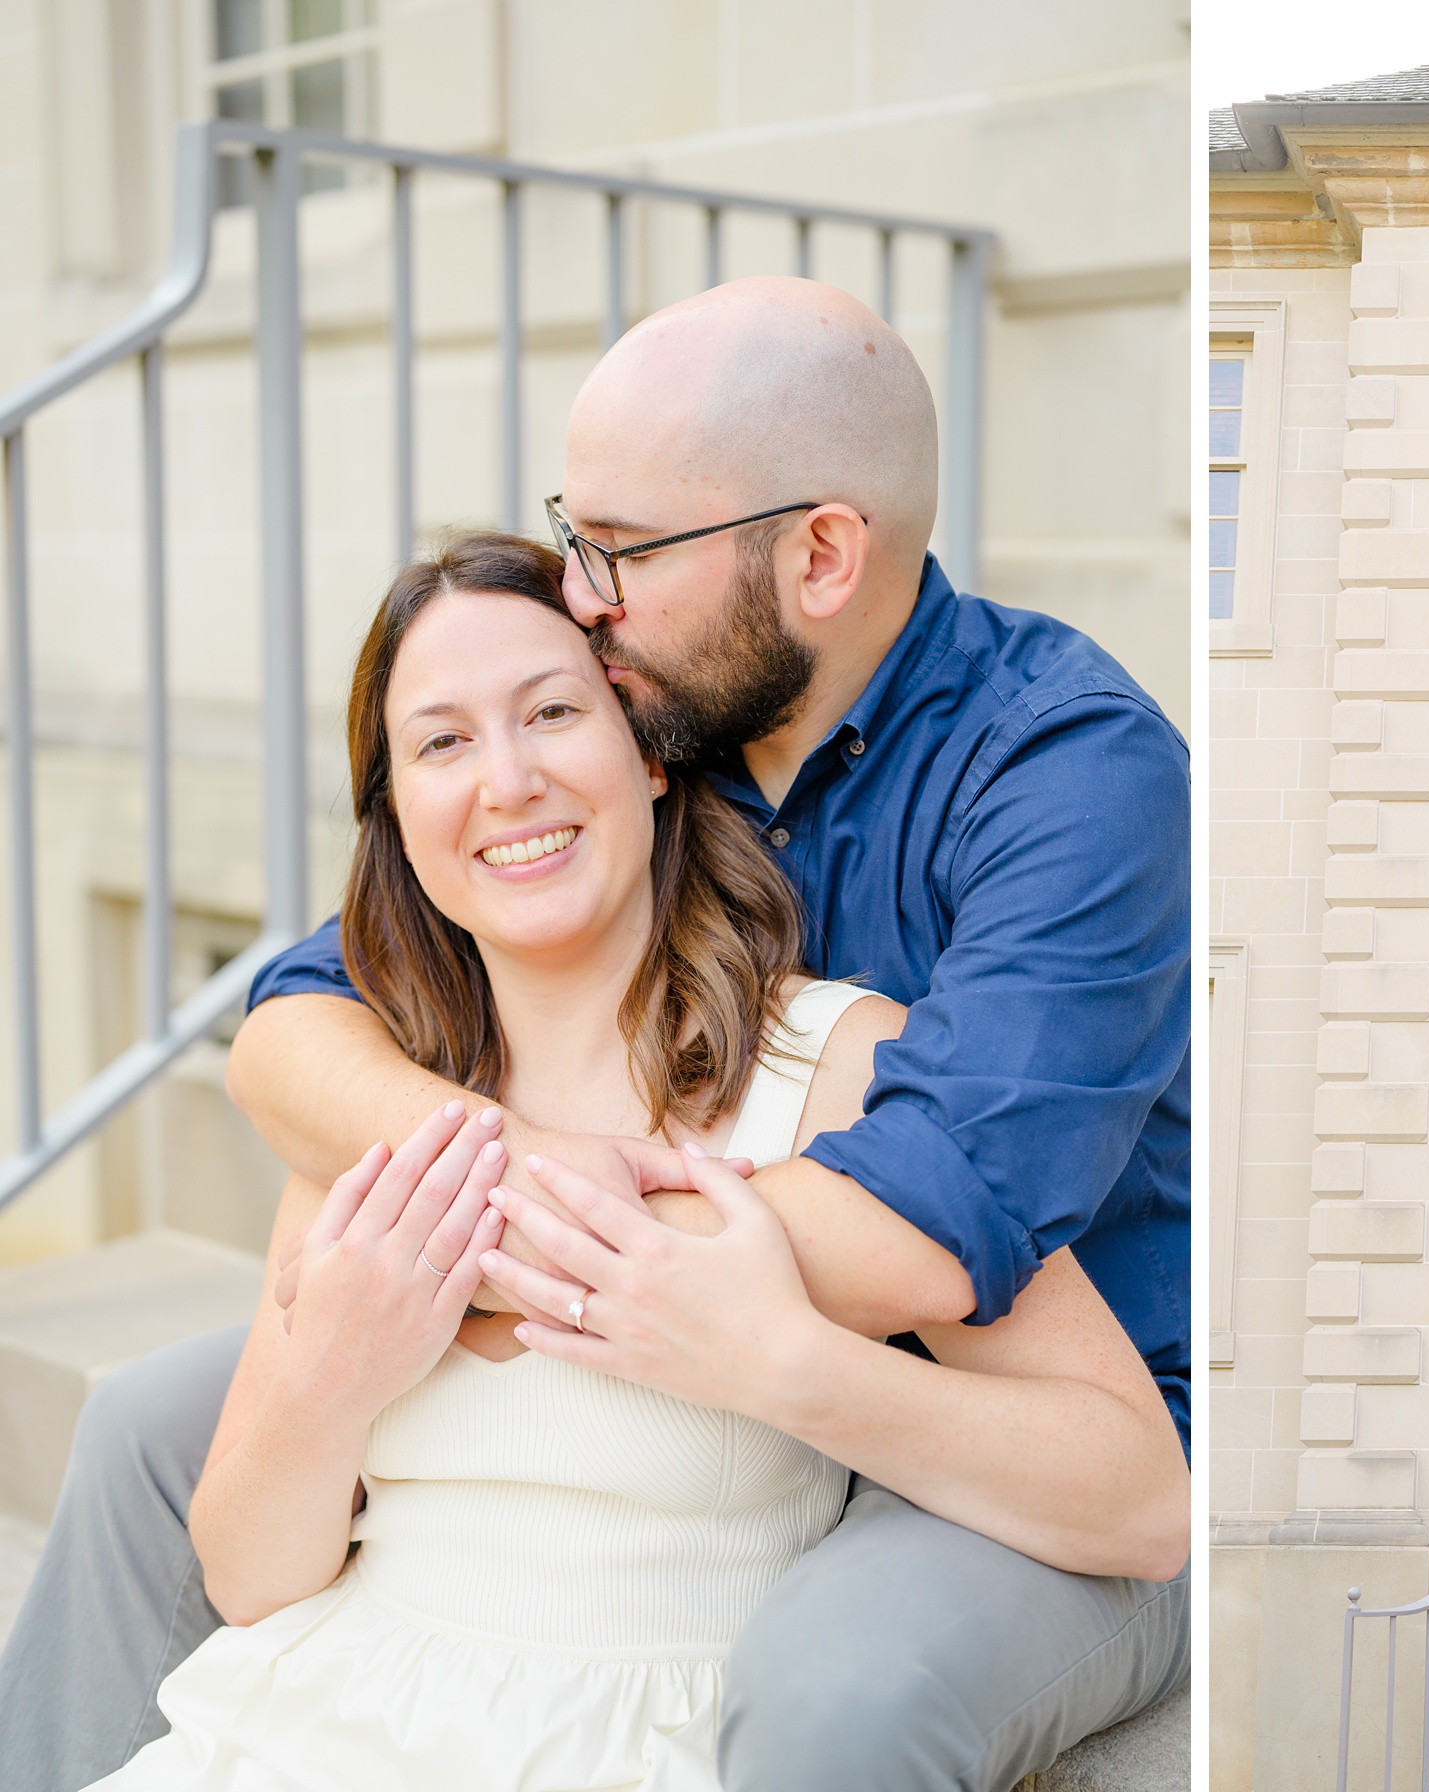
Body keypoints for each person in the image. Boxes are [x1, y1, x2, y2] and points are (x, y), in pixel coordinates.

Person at [0, 278, 1191, 1792]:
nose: (586, 596)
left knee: (839, 1685)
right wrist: (478, 1202)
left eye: (623, 551)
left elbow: (937, 1221)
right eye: (579, 538)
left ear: (821, 552)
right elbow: (310, 1017)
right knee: (152, 1434)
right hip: (701, 1305)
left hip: (1046, 1388)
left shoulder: (1068, 776)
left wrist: (482, 1260)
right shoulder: (659, 708)